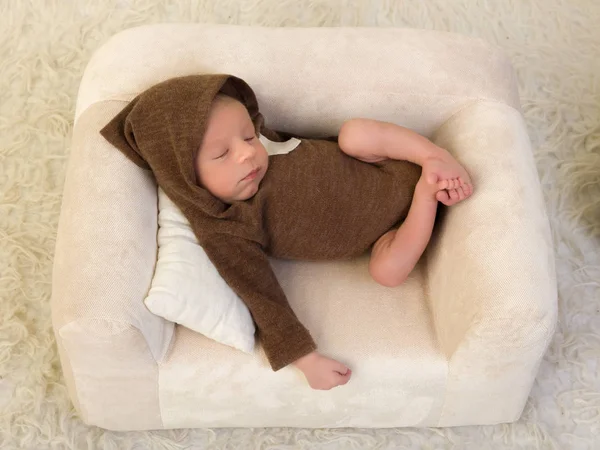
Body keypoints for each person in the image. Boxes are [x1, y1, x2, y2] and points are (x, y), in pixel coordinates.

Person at [100, 74, 473, 391]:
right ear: (184, 177)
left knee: (353, 133)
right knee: (387, 272)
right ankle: (428, 194)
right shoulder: (225, 225)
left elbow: (309, 143)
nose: (247, 154)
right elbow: (260, 295)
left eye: (248, 136)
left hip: (384, 163)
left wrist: (413, 158)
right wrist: (304, 359)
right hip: (389, 232)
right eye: (221, 155)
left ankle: (431, 157)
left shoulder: (267, 146)